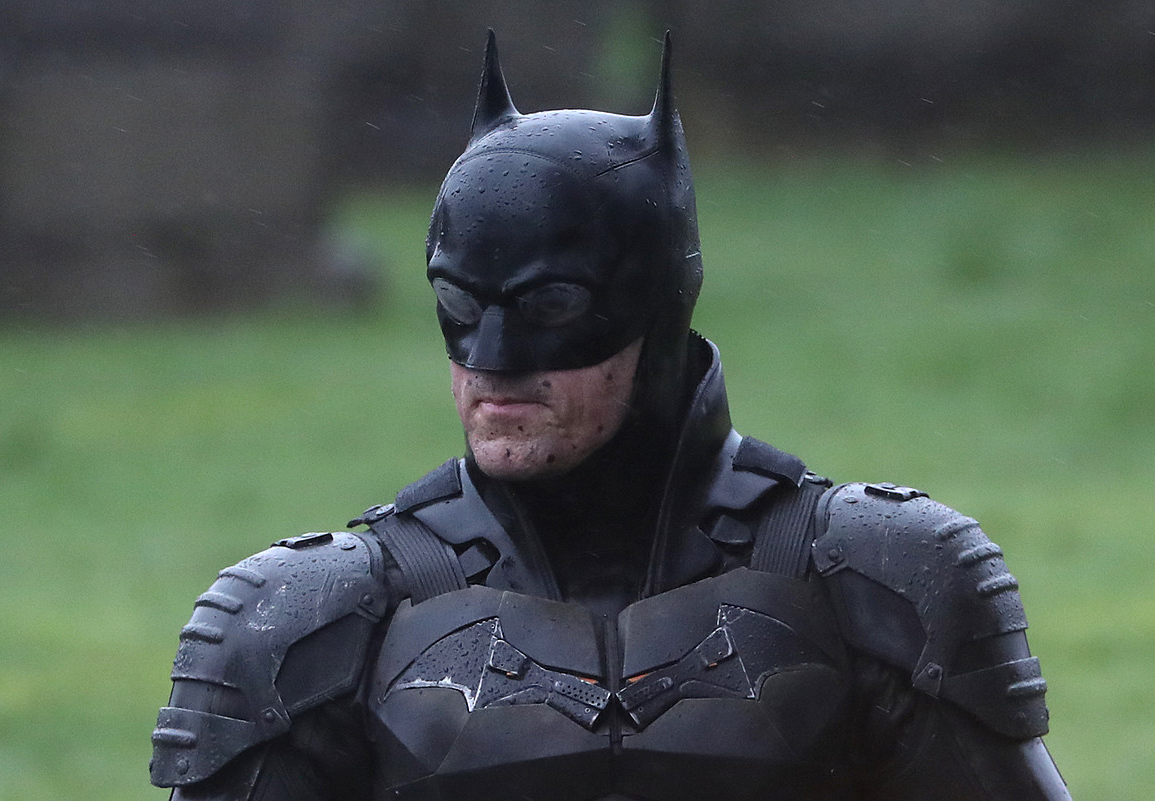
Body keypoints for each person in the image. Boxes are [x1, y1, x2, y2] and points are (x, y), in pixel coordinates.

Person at [150, 32, 1072, 800]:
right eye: (460, 304)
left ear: (656, 311)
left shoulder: (884, 581)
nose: (493, 360)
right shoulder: (302, 622)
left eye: (550, 305)